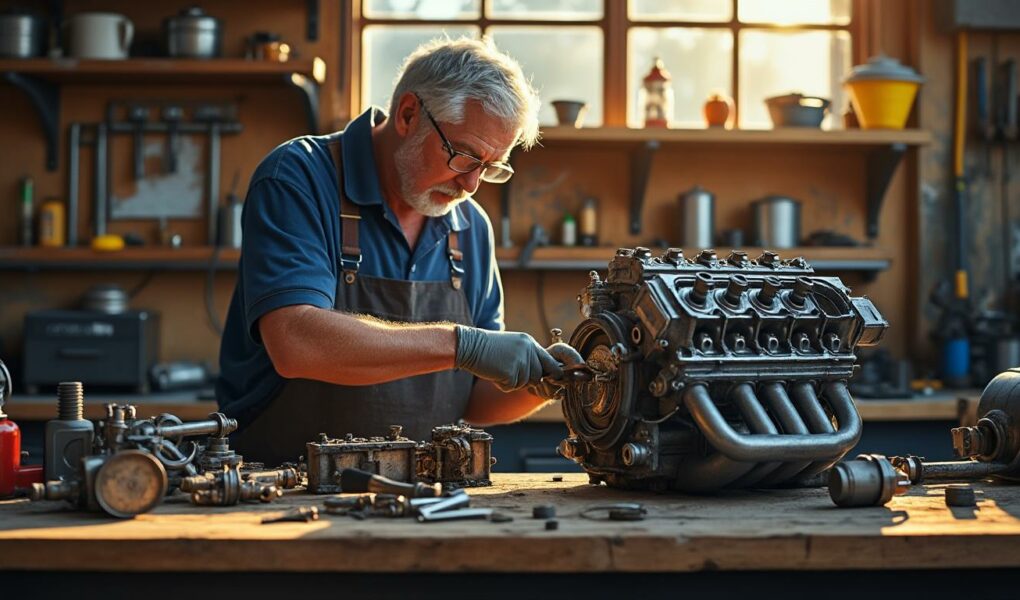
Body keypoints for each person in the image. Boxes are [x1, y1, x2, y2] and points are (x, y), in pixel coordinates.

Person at [216, 37, 582, 465]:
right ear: (409, 115)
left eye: (490, 167)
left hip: (420, 494)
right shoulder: (298, 178)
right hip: (283, 485)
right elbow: (295, 342)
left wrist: (541, 383)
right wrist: (463, 344)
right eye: (465, 156)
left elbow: (473, 401)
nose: (472, 185)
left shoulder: (469, 226)